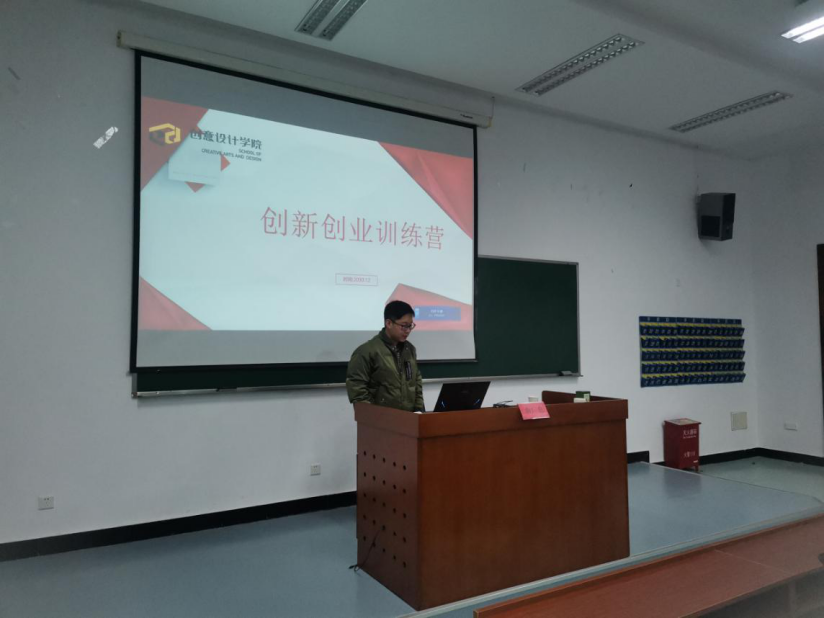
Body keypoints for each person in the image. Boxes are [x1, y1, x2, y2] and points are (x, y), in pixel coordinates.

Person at [346, 300, 424, 412]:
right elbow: (357, 390)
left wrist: (419, 411)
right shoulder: (366, 351)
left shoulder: (410, 349)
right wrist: (375, 416)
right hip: (380, 419)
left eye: (410, 326)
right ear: (388, 323)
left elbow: (416, 383)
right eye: (403, 326)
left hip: (410, 418)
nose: (408, 331)